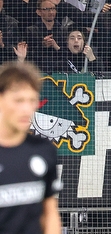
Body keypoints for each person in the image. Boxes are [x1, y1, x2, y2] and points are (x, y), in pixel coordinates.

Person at [0, 61, 61, 234]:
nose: (26, 109)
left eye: (32, 100)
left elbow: (50, 213)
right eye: (18, 100)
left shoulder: (44, 150)